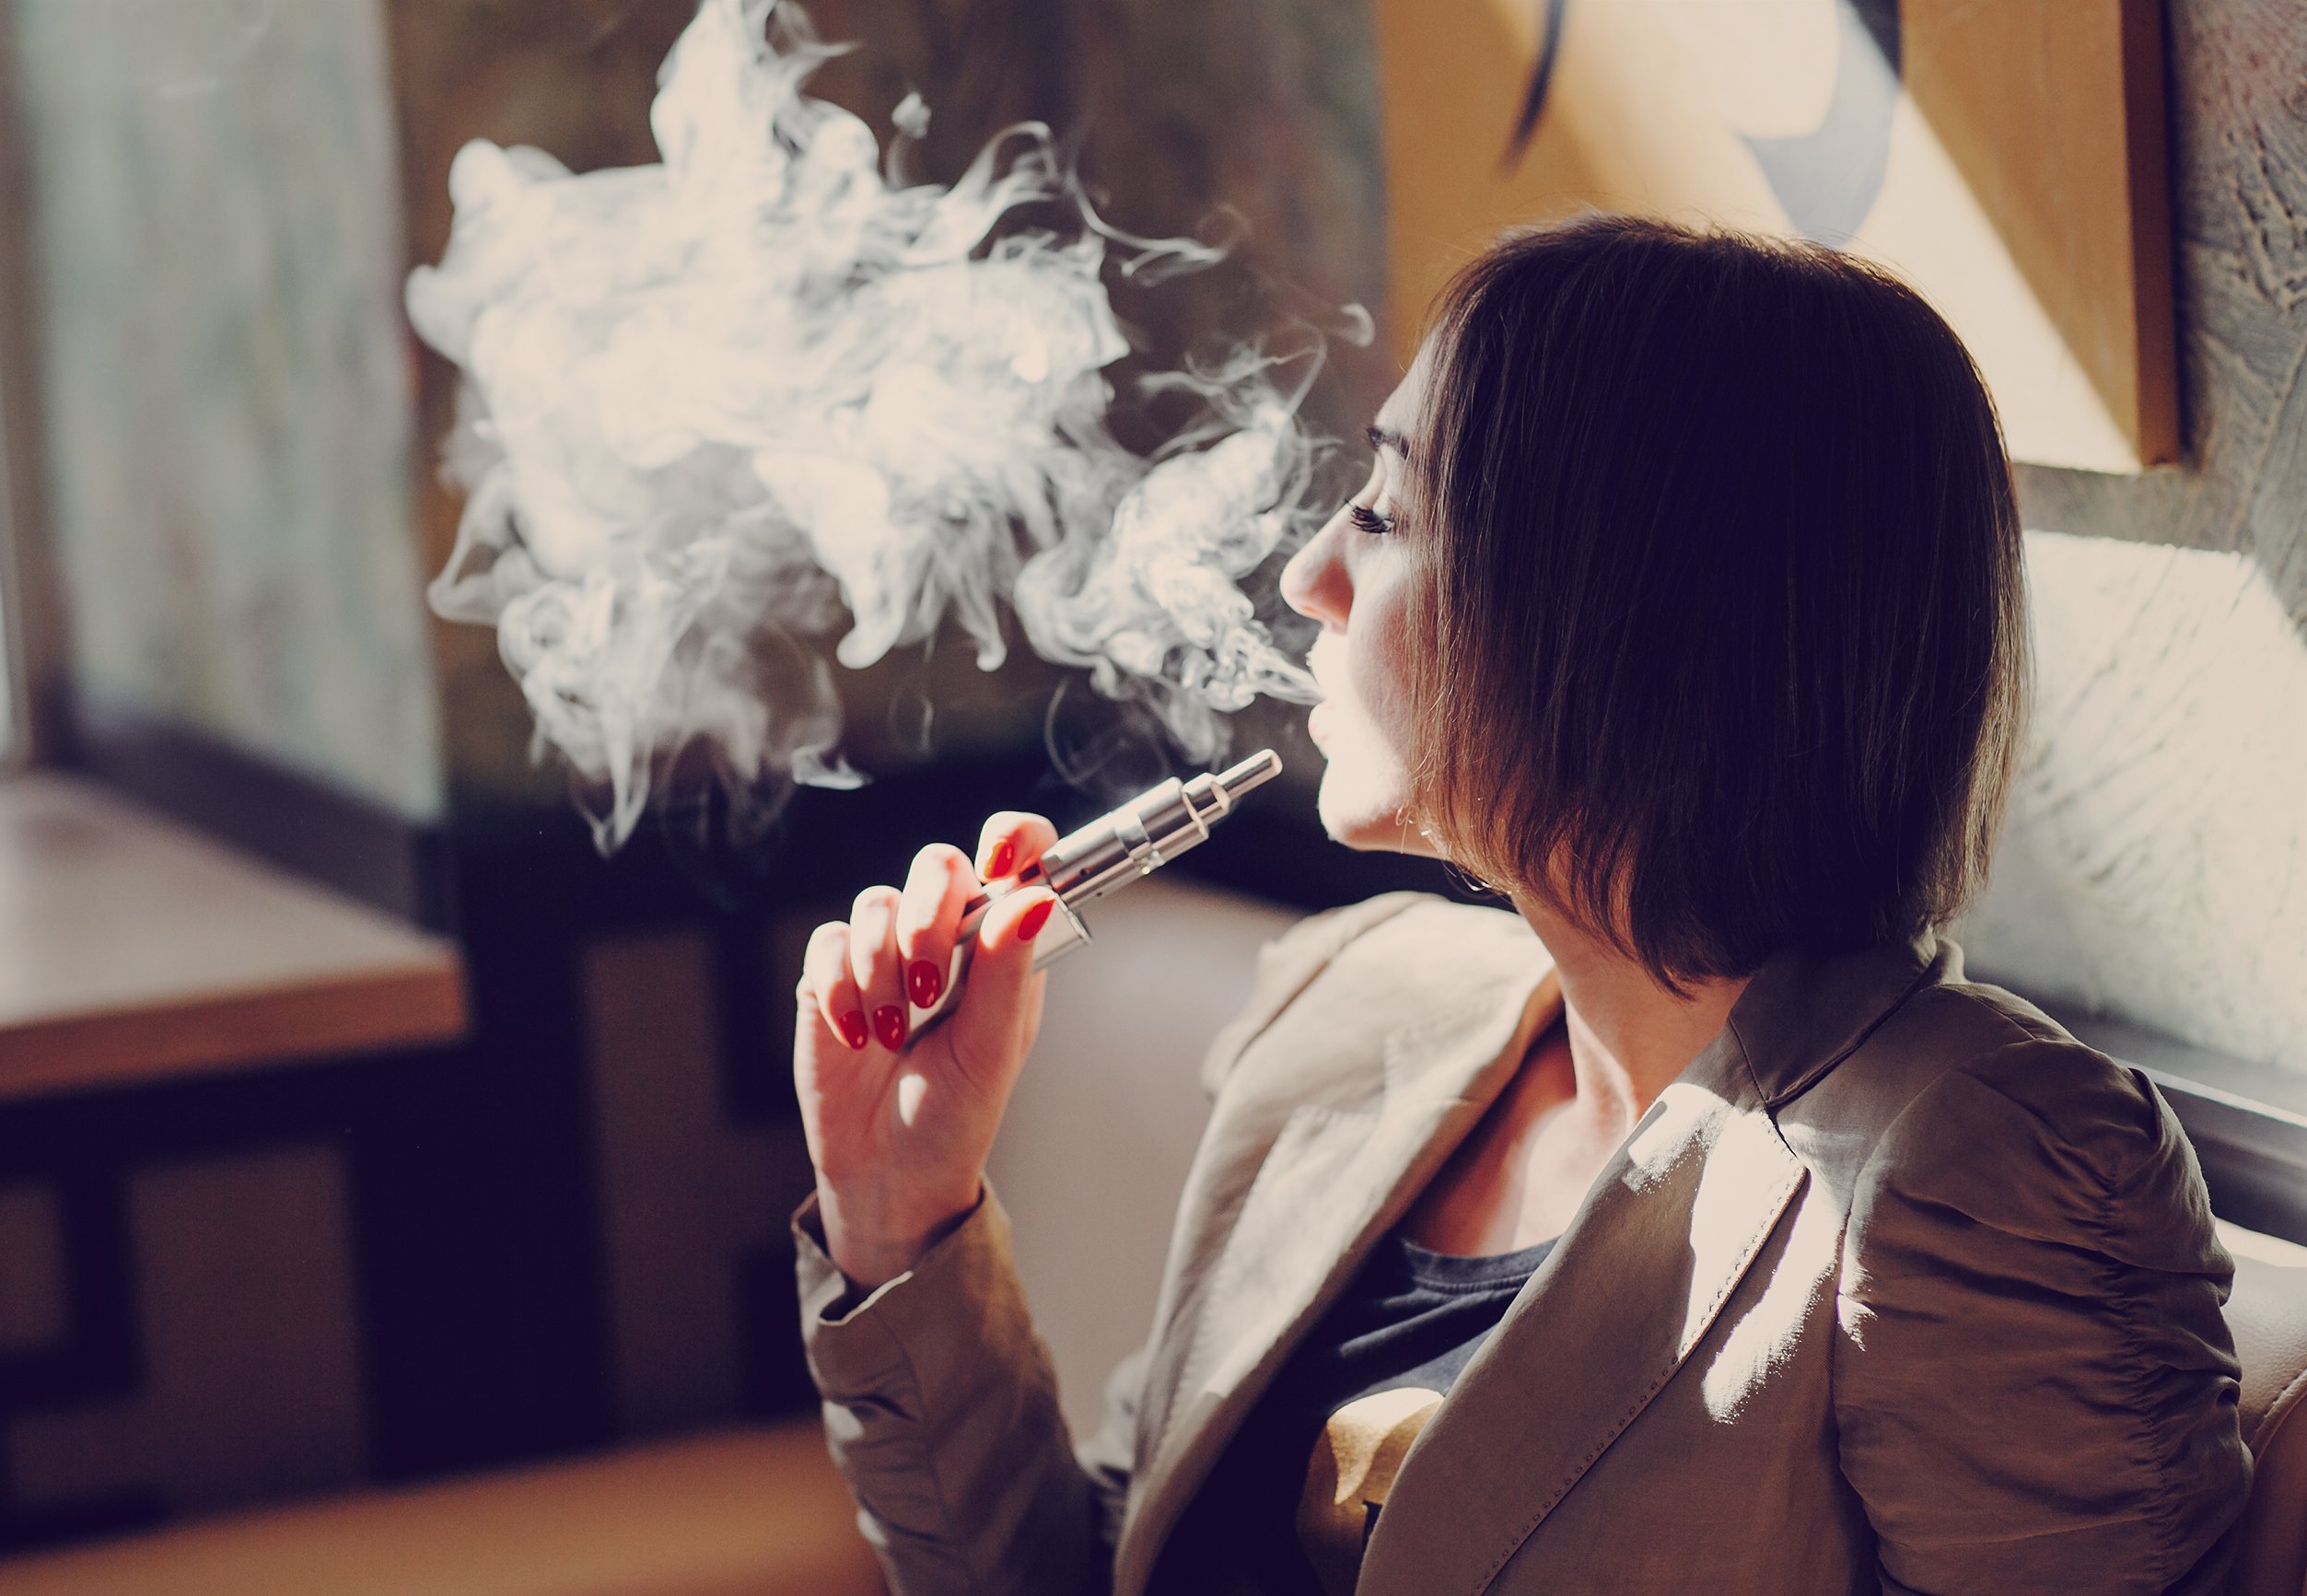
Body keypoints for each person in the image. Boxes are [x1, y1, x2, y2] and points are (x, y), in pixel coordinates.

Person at [786, 216, 2250, 1595]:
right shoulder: (1356, 998)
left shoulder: (1985, 1173)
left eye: (1382, 512)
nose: (1310, 575)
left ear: (1618, 608)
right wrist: (901, 1210)